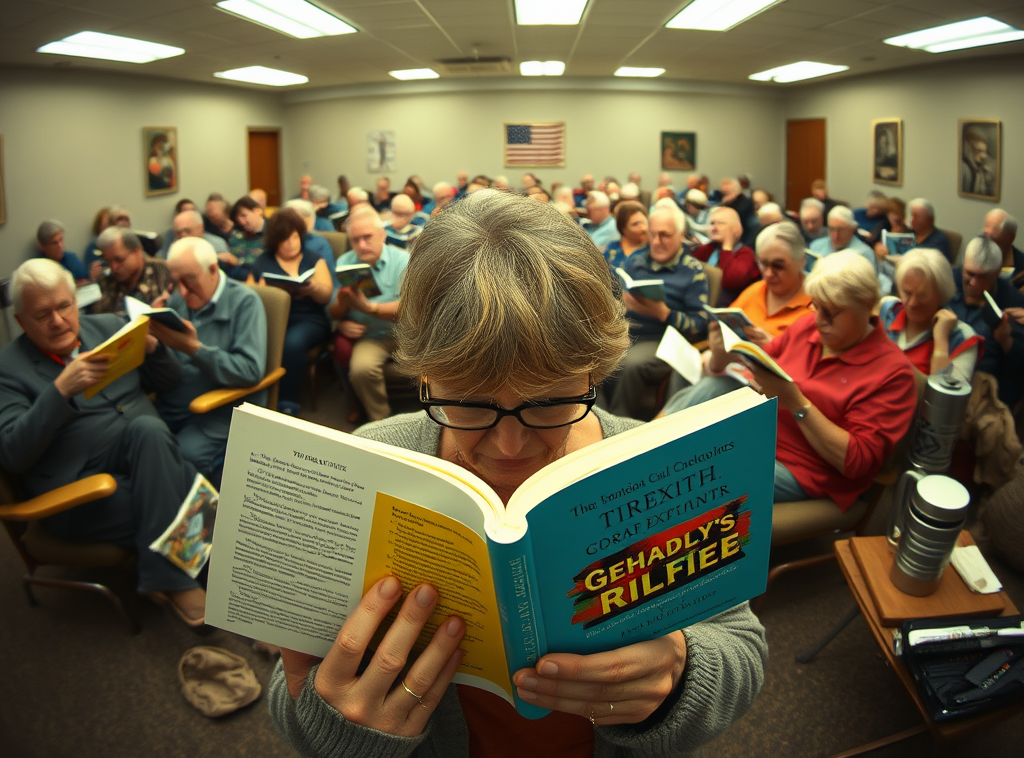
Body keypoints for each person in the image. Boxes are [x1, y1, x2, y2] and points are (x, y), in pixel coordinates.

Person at [269, 191, 767, 756]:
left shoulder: (656, 463)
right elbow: (292, 689)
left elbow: (740, 648)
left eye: (550, 402)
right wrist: (340, 730)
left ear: (594, 373)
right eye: (470, 404)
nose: (509, 444)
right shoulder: (370, 464)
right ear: (425, 377)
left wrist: (680, 676)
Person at [0, 259, 205, 627]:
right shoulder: (7, 368)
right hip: (81, 493)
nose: (59, 321)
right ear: (20, 321)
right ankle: (187, 575)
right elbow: (13, 454)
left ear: (75, 300)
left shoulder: (109, 326)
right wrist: (60, 390)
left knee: (148, 429)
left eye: (64, 306)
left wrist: (156, 349)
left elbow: (170, 381)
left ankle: (165, 577)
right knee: (191, 493)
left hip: (148, 456)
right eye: (42, 314)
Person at [707, 252, 918, 509]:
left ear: (867, 304)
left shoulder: (893, 374)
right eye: (816, 306)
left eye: (831, 312)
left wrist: (796, 403)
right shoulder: (808, 325)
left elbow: (856, 462)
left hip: (804, 469)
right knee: (710, 391)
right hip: (758, 433)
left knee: (707, 474)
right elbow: (764, 364)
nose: (819, 321)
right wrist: (727, 354)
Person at [663, 221, 814, 414]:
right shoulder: (755, 291)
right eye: (763, 263)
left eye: (778, 265)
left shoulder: (814, 306)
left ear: (801, 261)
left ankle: (659, 432)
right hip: (733, 373)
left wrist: (774, 347)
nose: (768, 273)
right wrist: (718, 350)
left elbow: (809, 375)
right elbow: (721, 357)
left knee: (711, 389)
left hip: (767, 393)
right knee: (683, 373)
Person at [151, 238, 267, 479]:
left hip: (219, 411)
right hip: (173, 401)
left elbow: (249, 371)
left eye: (189, 280)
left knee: (182, 455)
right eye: (176, 282)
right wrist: (153, 343)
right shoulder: (177, 301)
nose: (182, 291)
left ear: (213, 270)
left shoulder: (245, 302)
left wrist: (195, 349)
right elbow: (169, 364)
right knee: (135, 440)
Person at [609, 206, 709, 420]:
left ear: (682, 235)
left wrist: (663, 313)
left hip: (666, 340)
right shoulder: (637, 261)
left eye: (665, 235)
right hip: (628, 331)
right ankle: (596, 417)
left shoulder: (692, 271)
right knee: (593, 353)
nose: (656, 242)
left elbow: (700, 324)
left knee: (629, 362)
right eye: (652, 234)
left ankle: (619, 425)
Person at [250, 209, 334, 417]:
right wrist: (262, 292)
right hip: (275, 320)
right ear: (275, 241)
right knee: (255, 339)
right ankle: (255, 398)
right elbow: (248, 297)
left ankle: (287, 404)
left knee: (291, 343)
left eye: (295, 237)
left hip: (310, 319)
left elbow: (326, 296)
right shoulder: (263, 262)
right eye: (285, 238)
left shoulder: (314, 258)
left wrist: (313, 288)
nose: (291, 243)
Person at [330, 207, 409, 423]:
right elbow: (334, 311)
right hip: (372, 335)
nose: (362, 245)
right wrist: (342, 310)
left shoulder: (403, 260)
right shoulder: (346, 262)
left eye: (368, 237)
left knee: (436, 367)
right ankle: (381, 422)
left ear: (382, 235)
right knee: (361, 370)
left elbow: (409, 308)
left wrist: (369, 308)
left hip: (407, 334)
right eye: (356, 240)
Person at [878, 249, 981, 381]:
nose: (913, 303)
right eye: (907, 293)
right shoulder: (888, 310)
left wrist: (941, 342)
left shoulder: (963, 337)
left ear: (941, 294)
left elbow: (944, 400)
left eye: (923, 296)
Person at [950, 237, 1024, 411]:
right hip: (942, 367)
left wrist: (1006, 341)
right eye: (969, 274)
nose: (974, 282)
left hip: (985, 383)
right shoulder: (948, 281)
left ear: (997, 272)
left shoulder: (1013, 301)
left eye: (982, 277)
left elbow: (1018, 368)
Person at [93, 228, 172, 314]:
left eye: (119, 260)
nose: (114, 268)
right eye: (108, 261)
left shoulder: (165, 272)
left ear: (138, 250)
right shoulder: (105, 280)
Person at [691, 207, 760, 306]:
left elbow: (730, 280)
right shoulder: (710, 248)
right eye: (712, 223)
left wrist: (727, 245)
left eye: (720, 223)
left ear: (734, 229)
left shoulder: (746, 254)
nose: (714, 228)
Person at [284, 199, 338, 285]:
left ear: (310, 220)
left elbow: (330, 279)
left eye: (297, 219)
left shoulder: (320, 243)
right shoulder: (279, 241)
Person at [159, 208, 228, 259]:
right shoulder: (171, 241)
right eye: (178, 233)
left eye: (187, 231)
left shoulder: (217, 245)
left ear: (201, 228)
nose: (183, 237)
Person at [228, 195, 267, 280]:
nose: (242, 223)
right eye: (238, 220)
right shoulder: (236, 236)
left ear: (258, 211)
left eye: (244, 216)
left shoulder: (274, 232)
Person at [983, 208, 1024, 289]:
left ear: (1011, 238)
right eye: (985, 235)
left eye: (993, 239)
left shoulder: (1021, 269)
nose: (988, 244)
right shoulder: (976, 255)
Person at [602, 201, 649, 270]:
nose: (643, 228)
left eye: (644, 222)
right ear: (623, 229)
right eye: (635, 224)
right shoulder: (613, 248)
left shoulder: (652, 252)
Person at [961, 125, 997, 197]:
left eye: (984, 152)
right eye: (979, 151)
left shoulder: (987, 168)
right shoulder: (964, 168)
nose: (983, 156)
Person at [83, 207, 112, 279]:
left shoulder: (122, 247)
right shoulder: (92, 249)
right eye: (105, 228)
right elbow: (90, 278)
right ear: (99, 228)